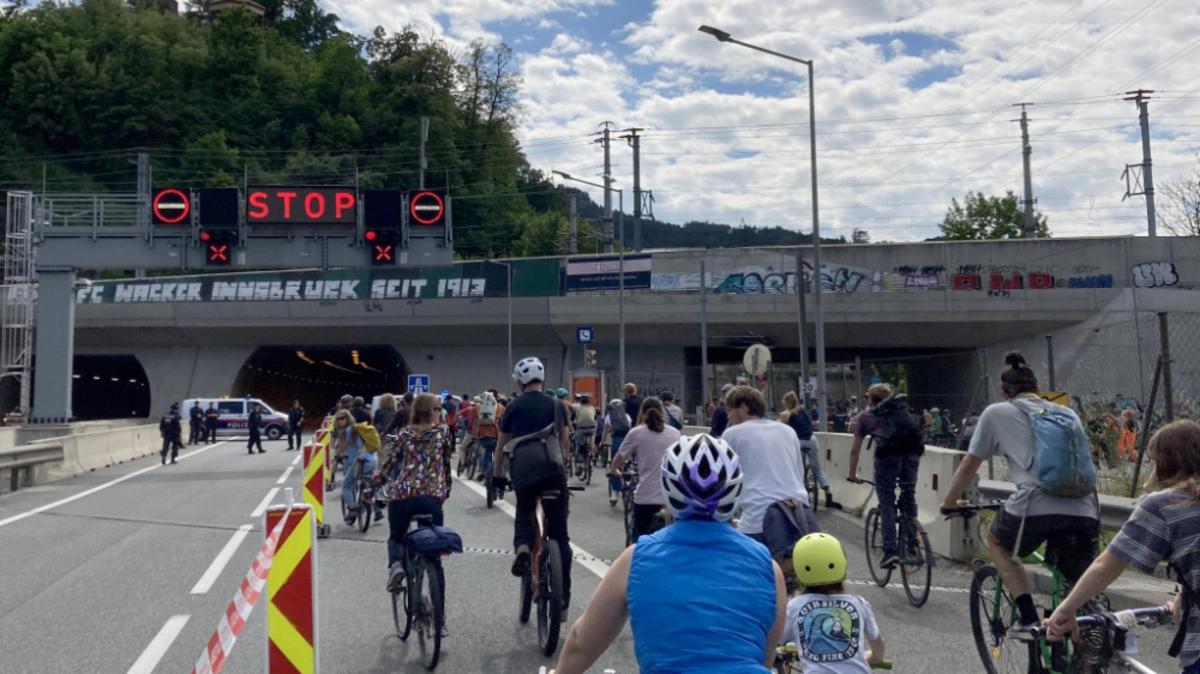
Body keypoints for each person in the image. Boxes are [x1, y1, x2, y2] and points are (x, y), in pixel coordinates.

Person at [547, 434, 787, 674]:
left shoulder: (636, 559)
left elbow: (582, 643)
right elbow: (765, 657)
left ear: (668, 490)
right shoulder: (768, 567)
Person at [940, 351, 1099, 634]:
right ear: (1038, 391)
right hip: (1086, 507)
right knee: (1074, 583)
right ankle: (1089, 637)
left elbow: (968, 465)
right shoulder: (1066, 412)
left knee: (997, 540)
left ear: (1004, 393)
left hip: (1035, 504)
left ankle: (1029, 619)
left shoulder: (996, 412)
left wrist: (950, 502)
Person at [1044, 420, 1200, 674]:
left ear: (1162, 462)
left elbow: (1106, 566)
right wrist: (1188, 592)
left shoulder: (1165, 505)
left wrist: (1066, 609)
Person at [492, 357, 573, 619]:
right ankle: (563, 600)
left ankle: (524, 548)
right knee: (560, 536)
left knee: (525, 511)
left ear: (520, 381)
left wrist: (497, 476)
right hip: (552, 471)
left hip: (524, 471)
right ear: (542, 380)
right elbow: (565, 442)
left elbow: (502, 446)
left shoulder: (513, 407)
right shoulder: (556, 405)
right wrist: (565, 470)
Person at [376, 393, 453, 634]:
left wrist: (373, 487)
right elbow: (446, 465)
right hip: (431, 498)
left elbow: (388, 466)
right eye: (438, 408)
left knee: (396, 537)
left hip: (402, 497)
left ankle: (396, 565)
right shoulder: (443, 433)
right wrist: (444, 490)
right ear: (430, 411)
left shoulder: (403, 434)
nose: (440, 411)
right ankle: (439, 620)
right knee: (434, 557)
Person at [721, 386, 812, 546]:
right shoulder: (788, 431)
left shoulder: (732, 434)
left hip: (758, 521)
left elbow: (723, 483)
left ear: (743, 407)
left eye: (730, 410)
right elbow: (799, 474)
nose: (728, 416)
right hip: (798, 516)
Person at [846, 383, 924, 569]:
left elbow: (855, 450)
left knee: (887, 501)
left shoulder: (866, 416)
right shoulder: (903, 411)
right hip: (912, 455)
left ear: (872, 399)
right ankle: (913, 547)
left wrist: (852, 474)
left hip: (888, 459)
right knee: (908, 495)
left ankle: (889, 551)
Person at [784, 533, 885, 672]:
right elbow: (878, 651)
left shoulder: (795, 606)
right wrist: (870, 657)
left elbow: (773, 642)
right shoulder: (859, 603)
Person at [609, 397, 679, 540]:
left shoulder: (636, 433)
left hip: (645, 499)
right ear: (662, 412)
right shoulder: (675, 433)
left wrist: (613, 469)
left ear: (642, 414)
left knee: (640, 541)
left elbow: (619, 458)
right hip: (670, 498)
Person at [781, 391, 836, 509]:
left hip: (799, 442)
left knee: (796, 468)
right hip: (812, 440)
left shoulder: (786, 414)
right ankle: (827, 490)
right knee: (817, 468)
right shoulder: (804, 411)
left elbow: (782, 429)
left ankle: (798, 493)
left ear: (786, 403)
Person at [333, 408, 375, 525]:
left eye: (342, 418)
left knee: (346, 486)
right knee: (369, 482)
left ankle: (352, 510)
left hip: (359, 461)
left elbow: (341, 449)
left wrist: (336, 457)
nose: (340, 421)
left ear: (348, 418)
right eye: (338, 419)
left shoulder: (346, 431)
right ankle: (371, 499)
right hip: (371, 459)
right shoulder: (359, 428)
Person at [602, 398, 632, 506]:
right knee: (629, 463)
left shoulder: (609, 417)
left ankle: (614, 492)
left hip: (616, 440)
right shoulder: (627, 417)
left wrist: (602, 442)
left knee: (615, 464)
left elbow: (605, 431)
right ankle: (630, 485)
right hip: (628, 440)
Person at [472, 390, 505, 482]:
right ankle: (501, 487)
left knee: (487, 449)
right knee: (499, 456)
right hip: (497, 435)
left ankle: (483, 468)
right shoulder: (500, 407)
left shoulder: (478, 407)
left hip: (483, 436)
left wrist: (474, 435)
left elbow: (475, 423)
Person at [571, 394, 597, 477]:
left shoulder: (577, 409)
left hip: (581, 429)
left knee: (578, 444)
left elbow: (571, 419)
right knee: (592, 437)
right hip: (592, 428)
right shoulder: (592, 408)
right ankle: (592, 454)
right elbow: (595, 418)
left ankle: (579, 465)